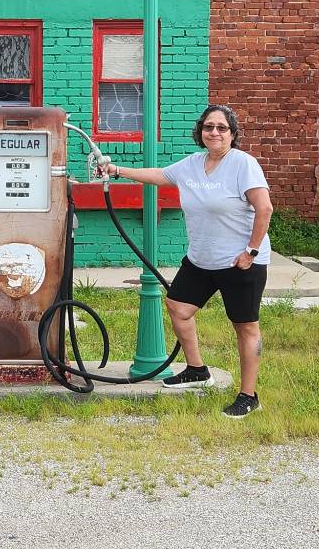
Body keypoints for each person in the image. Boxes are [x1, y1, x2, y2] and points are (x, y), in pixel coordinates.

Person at [102, 104, 273, 418]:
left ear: (232, 133)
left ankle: (249, 395)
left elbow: (265, 208)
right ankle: (197, 370)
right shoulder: (194, 164)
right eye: (209, 127)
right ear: (201, 132)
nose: (214, 132)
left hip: (240, 262)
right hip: (201, 259)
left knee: (245, 327)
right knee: (178, 307)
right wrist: (117, 170)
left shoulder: (243, 164)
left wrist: (250, 251)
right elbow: (159, 175)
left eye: (221, 128)